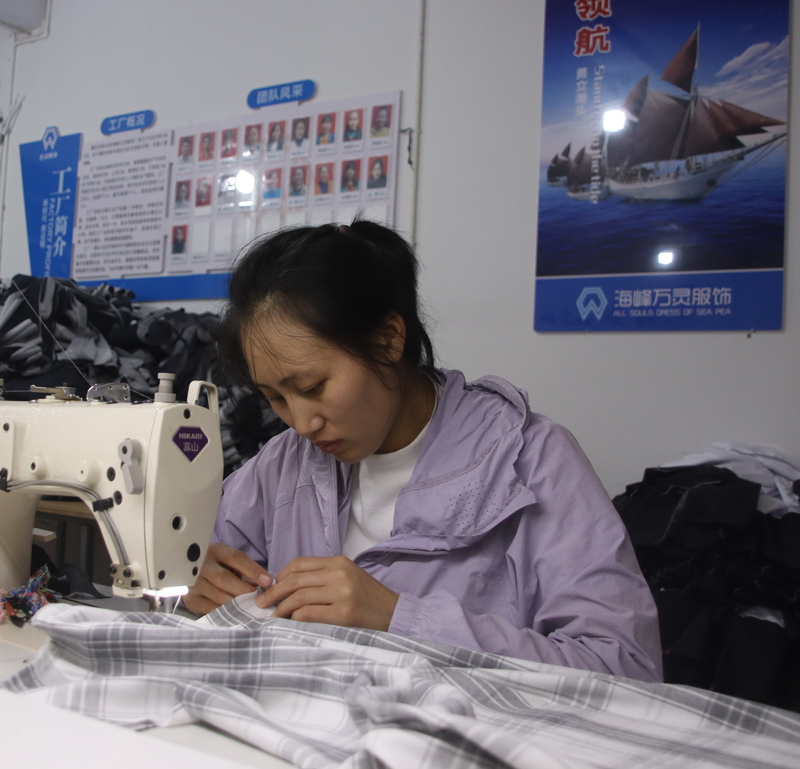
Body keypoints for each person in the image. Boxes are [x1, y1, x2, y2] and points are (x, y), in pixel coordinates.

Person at [184, 220, 663, 682]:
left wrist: (399, 617)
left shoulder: (530, 461)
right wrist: (192, 577)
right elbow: (194, 566)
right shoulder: (285, 464)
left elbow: (624, 667)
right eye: (274, 397)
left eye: (312, 387)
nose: (302, 422)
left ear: (388, 340)